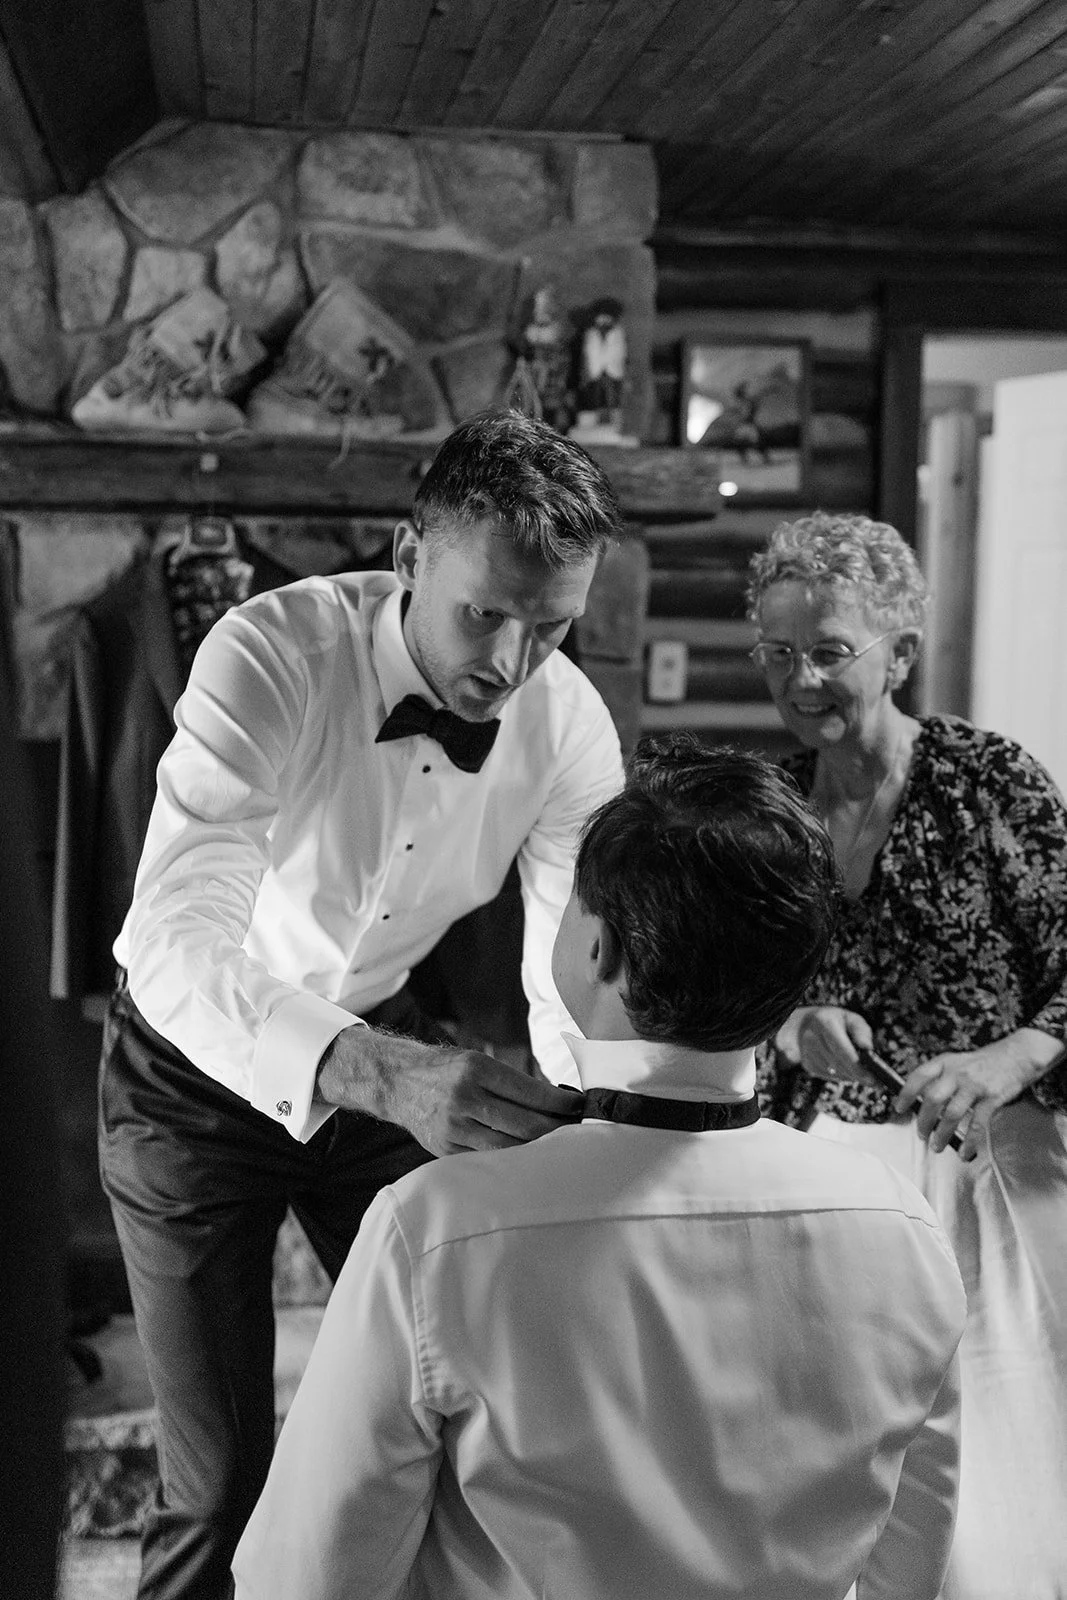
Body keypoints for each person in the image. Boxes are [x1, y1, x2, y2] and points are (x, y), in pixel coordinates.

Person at [233, 737, 967, 1600]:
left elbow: (312, 1576)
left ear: (599, 952)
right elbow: (910, 1562)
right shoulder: (903, 1227)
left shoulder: (435, 1227)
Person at [99, 408, 627, 1600]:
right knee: (221, 1475)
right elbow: (173, 940)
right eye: (482, 614)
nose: (509, 662)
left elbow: (569, 973)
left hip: (381, 1053)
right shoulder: (270, 651)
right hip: (190, 1073)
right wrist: (383, 1072)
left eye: (550, 628)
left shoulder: (568, 726)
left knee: (471, 1412)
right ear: (406, 559)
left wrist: (593, 1134)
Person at [746, 511, 1067, 1600]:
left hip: (992, 1172)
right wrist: (789, 1023)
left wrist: (1006, 1056)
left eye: (829, 649)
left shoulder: (988, 782)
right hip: (827, 1183)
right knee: (849, 1481)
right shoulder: (768, 812)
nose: (801, 679)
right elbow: (733, 993)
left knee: (1014, 1479)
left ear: (898, 654)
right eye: (778, 652)